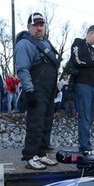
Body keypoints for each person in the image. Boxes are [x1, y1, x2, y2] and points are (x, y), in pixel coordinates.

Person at [15, 12, 60, 170]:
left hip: (49, 91)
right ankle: (29, 156)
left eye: (41, 25)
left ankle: (40, 153)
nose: (39, 28)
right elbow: (22, 69)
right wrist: (29, 91)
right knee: (35, 123)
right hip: (35, 90)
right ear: (29, 26)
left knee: (46, 122)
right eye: (36, 25)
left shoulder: (46, 43)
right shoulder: (25, 44)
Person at [68, 25, 94, 152]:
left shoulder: (93, 50)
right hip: (82, 84)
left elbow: (93, 68)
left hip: (93, 84)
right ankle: (84, 145)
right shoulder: (78, 43)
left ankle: (86, 143)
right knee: (84, 116)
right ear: (91, 33)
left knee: (90, 115)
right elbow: (77, 60)